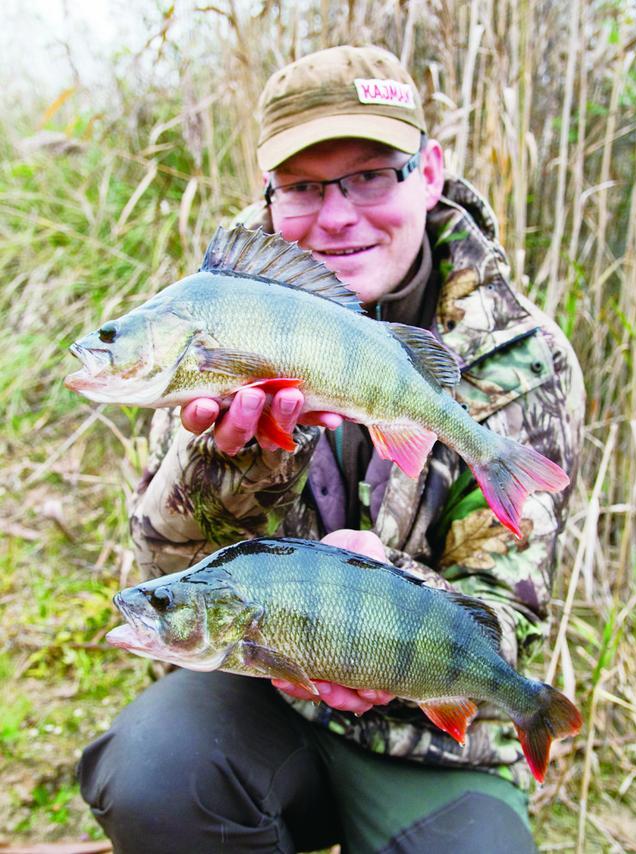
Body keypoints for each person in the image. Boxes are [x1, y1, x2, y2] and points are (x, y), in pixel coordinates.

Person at [79, 45, 585, 853]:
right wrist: (234, 459)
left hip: (428, 730)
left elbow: (507, 607)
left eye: (371, 176)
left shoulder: (521, 357)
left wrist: (384, 599)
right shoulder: (206, 320)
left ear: (429, 171)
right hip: (264, 704)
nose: (339, 215)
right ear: (269, 197)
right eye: (305, 187)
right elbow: (164, 565)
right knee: (152, 775)